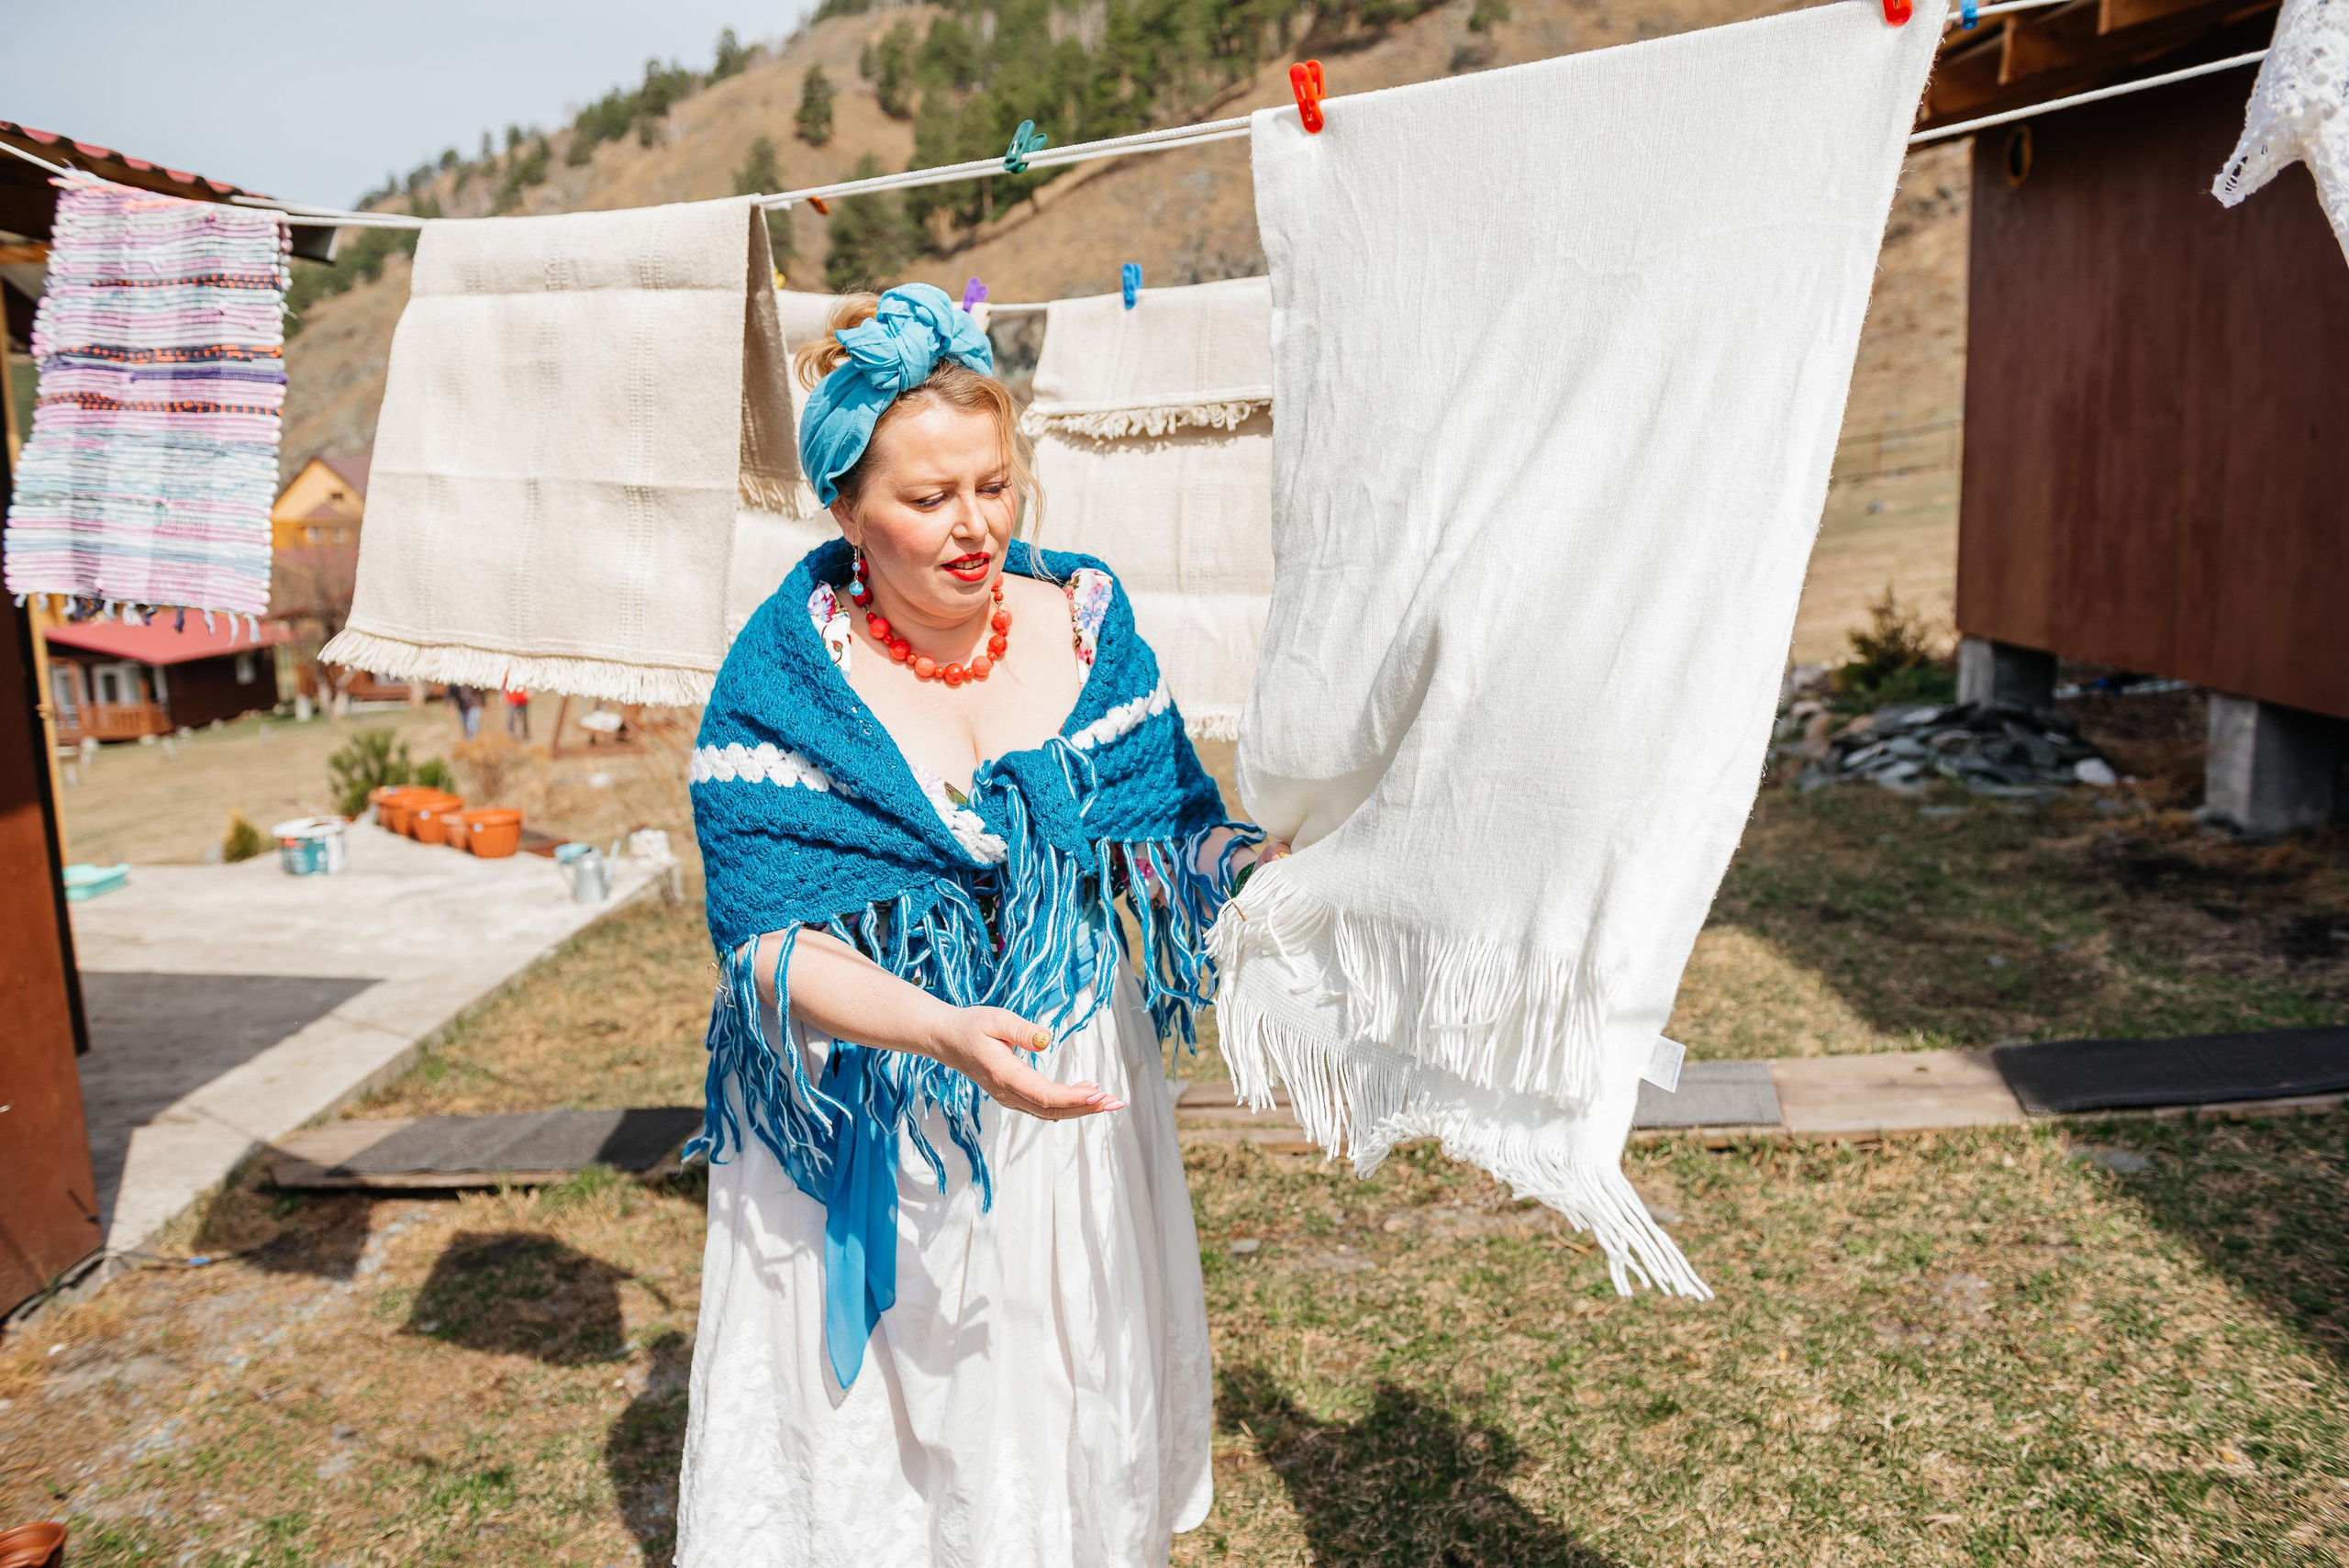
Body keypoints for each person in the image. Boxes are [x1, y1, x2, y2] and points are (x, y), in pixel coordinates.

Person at [678, 284, 1285, 1567]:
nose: (976, 527)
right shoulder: (783, 686)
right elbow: (767, 947)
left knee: (1054, 1395)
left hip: (1067, 1081)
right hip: (879, 1098)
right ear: (846, 510)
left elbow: (1172, 829)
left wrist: (1259, 865)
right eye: (929, 497)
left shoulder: (1087, 627)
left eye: (995, 485)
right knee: (897, 1447)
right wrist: (942, 1028)